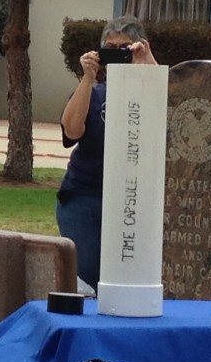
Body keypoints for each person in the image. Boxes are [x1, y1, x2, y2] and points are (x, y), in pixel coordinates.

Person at [56, 15, 158, 294]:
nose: (116, 54)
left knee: (126, 284)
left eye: (123, 48)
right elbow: (71, 131)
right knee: (89, 281)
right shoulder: (96, 94)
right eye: (109, 48)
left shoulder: (150, 90)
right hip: (85, 197)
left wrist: (146, 63)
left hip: (132, 202)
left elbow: (168, 113)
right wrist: (87, 78)